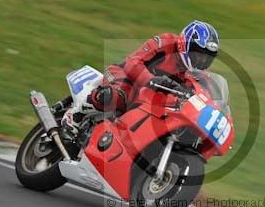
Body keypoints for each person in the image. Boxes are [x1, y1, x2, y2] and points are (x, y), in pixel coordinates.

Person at [62, 20, 220, 136]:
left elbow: (203, 94)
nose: (201, 61)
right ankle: (76, 114)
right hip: (125, 76)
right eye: (197, 54)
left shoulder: (197, 73)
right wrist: (150, 79)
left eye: (206, 58)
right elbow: (133, 62)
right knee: (118, 96)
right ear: (184, 44)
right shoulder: (165, 43)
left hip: (151, 98)